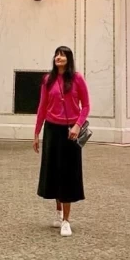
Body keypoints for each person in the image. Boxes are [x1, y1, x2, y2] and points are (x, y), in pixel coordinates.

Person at [33, 46, 90, 237]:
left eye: (63, 55)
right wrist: (36, 133)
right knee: (54, 172)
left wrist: (77, 125)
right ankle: (58, 213)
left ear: (69, 59)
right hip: (52, 130)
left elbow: (86, 105)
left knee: (68, 174)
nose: (59, 57)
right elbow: (42, 107)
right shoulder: (47, 80)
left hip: (71, 133)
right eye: (57, 54)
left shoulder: (77, 79)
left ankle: (66, 221)